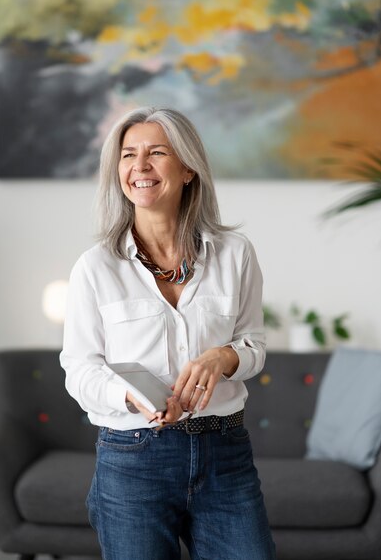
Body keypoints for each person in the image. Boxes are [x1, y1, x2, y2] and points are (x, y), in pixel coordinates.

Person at [60, 107, 276, 560]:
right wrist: (131, 396)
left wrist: (224, 358)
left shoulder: (235, 254)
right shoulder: (95, 267)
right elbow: (79, 370)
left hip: (225, 453)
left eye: (156, 153)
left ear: (188, 168)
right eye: (127, 155)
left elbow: (255, 346)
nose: (139, 167)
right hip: (133, 457)